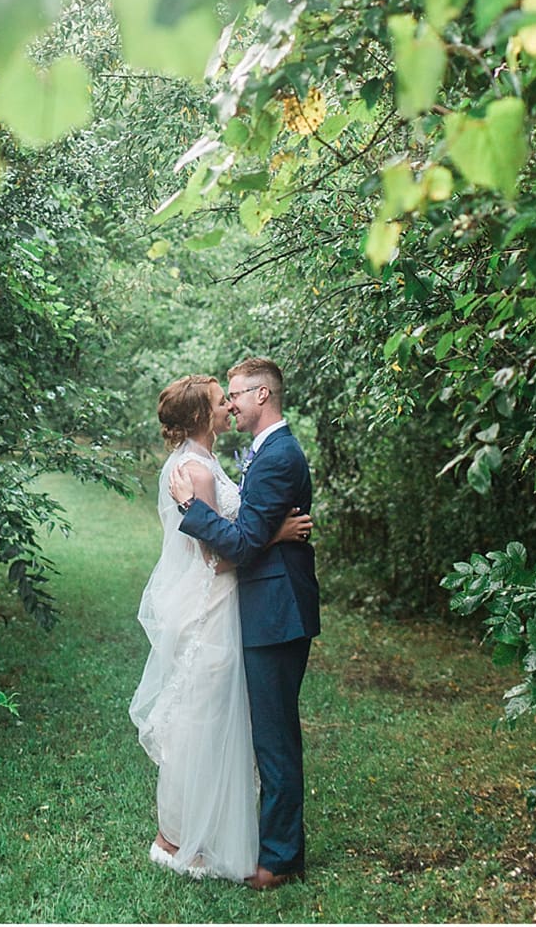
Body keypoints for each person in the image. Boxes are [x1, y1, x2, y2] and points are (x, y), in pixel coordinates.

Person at [129, 373, 309, 881]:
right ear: (201, 416)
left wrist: (264, 533)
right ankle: (181, 837)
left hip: (228, 605)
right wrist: (274, 536)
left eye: (232, 397)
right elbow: (217, 560)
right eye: (219, 400)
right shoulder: (196, 471)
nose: (229, 405)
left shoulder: (203, 462)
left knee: (210, 720)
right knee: (204, 723)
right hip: (214, 604)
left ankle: (189, 834)